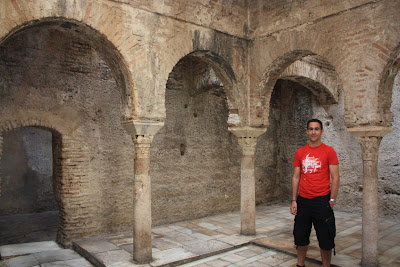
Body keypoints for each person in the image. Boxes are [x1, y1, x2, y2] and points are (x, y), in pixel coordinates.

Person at [290, 119, 340, 267]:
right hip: (303, 200)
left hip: (322, 200)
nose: (313, 132)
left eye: (316, 129)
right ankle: (300, 264)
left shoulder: (329, 151)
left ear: (322, 131)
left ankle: (326, 265)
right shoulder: (300, 152)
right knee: (300, 235)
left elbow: (335, 177)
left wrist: (331, 200)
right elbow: (295, 177)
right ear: (307, 131)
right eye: (311, 129)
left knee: (326, 237)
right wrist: (294, 200)